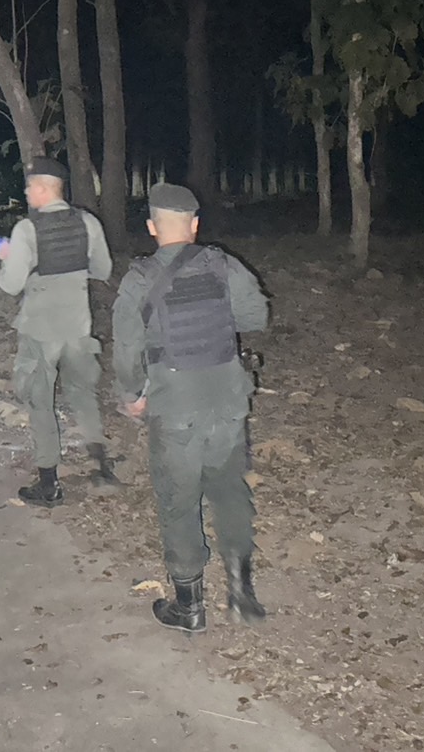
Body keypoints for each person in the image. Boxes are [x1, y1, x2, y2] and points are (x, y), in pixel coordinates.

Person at [112, 182, 270, 632]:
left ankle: (189, 607)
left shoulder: (139, 279)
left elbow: (126, 349)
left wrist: (132, 395)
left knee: (178, 500)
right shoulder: (223, 264)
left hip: (174, 405)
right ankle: (241, 592)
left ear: (151, 227)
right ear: (195, 225)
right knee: (230, 490)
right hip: (227, 400)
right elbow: (257, 317)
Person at [0, 157, 115, 505]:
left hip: (41, 332)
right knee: (83, 394)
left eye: (29, 186)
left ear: (44, 188)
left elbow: (10, 285)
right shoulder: (88, 222)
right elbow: (103, 270)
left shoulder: (26, 230)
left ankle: (49, 484)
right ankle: (101, 467)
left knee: (40, 402)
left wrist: (7, 258)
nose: (26, 192)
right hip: (79, 328)